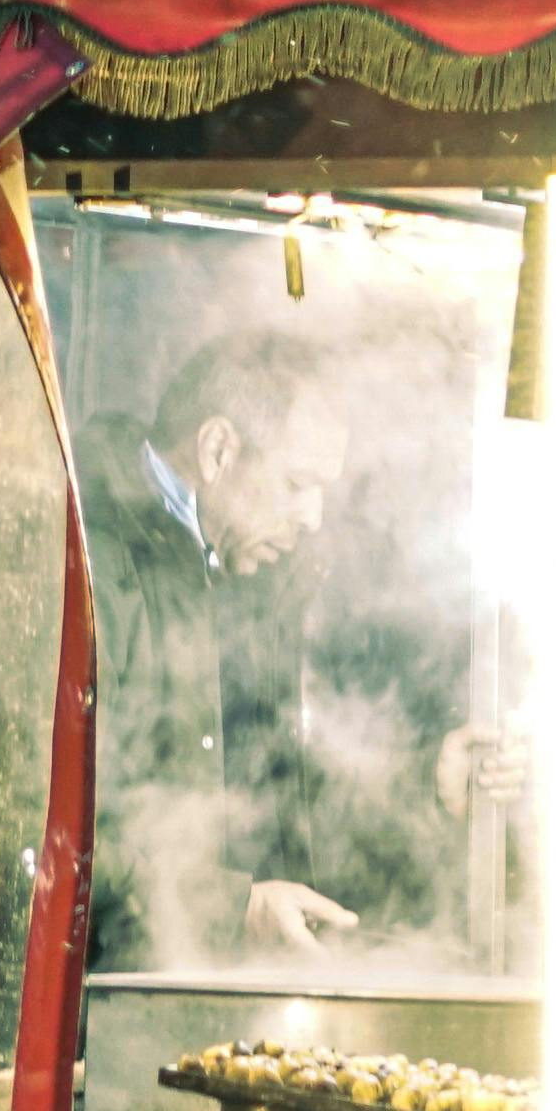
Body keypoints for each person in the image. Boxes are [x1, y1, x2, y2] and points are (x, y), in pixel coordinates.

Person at [74, 328, 357, 966]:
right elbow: (44, 828)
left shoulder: (232, 561)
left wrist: (433, 780)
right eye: (295, 484)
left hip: (178, 985)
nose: (313, 516)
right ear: (218, 449)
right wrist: (237, 907)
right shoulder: (83, 555)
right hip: (89, 1009)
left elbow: (291, 773)